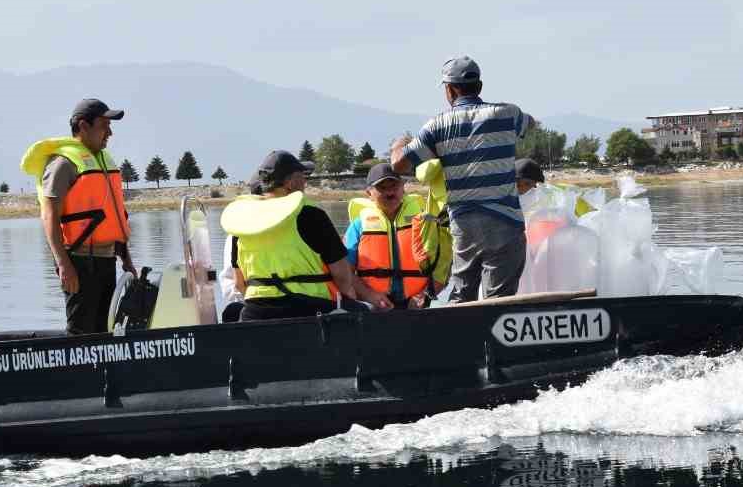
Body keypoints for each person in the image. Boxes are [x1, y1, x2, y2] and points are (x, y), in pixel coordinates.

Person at [391, 57, 532, 302]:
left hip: (465, 226)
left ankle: (458, 338)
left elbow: (399, 164)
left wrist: (399, 145)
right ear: (479, 86)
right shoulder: (508, 113)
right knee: (499, 301)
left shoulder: (437, 125)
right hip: (505, 223)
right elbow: (530, 124)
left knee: (462, 297)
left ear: (451, 89)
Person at [221, 150, 392, 321]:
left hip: (256, 313)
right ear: (290, 183)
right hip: (310, 310)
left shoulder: (242, 220)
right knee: (368, 312)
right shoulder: (311, 214)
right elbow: (342, 275)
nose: (305, 182)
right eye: (302, 177)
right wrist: (349, 295)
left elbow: (239, 283)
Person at [20, 98, 135, 334]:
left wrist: (126, 258)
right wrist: (64, 264)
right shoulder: (63, 164)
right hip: (79, 262)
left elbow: (114, 216)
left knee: (106, 329)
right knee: (81, 333)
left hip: (106, 259)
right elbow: (49, 216)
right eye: (104, 125)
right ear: (83, 126)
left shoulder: (103, 161)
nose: (110, 133)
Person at [343, 162, 438, 308]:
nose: (389, 192)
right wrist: (369, 295)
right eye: (382, 188)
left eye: (394, 186)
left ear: (403, 188)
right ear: (369, 193)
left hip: (417, 303)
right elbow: (344, 272)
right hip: (374, 306)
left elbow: (443, 262)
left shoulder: (424, 220)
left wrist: (425, 294)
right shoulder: (358, 226)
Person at [516, 158, 595, 217]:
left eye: (527, 184)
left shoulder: (558, 194)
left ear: (537, 183)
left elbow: (591, 214)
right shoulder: (510, 199)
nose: (522, 189)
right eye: (517, 185)